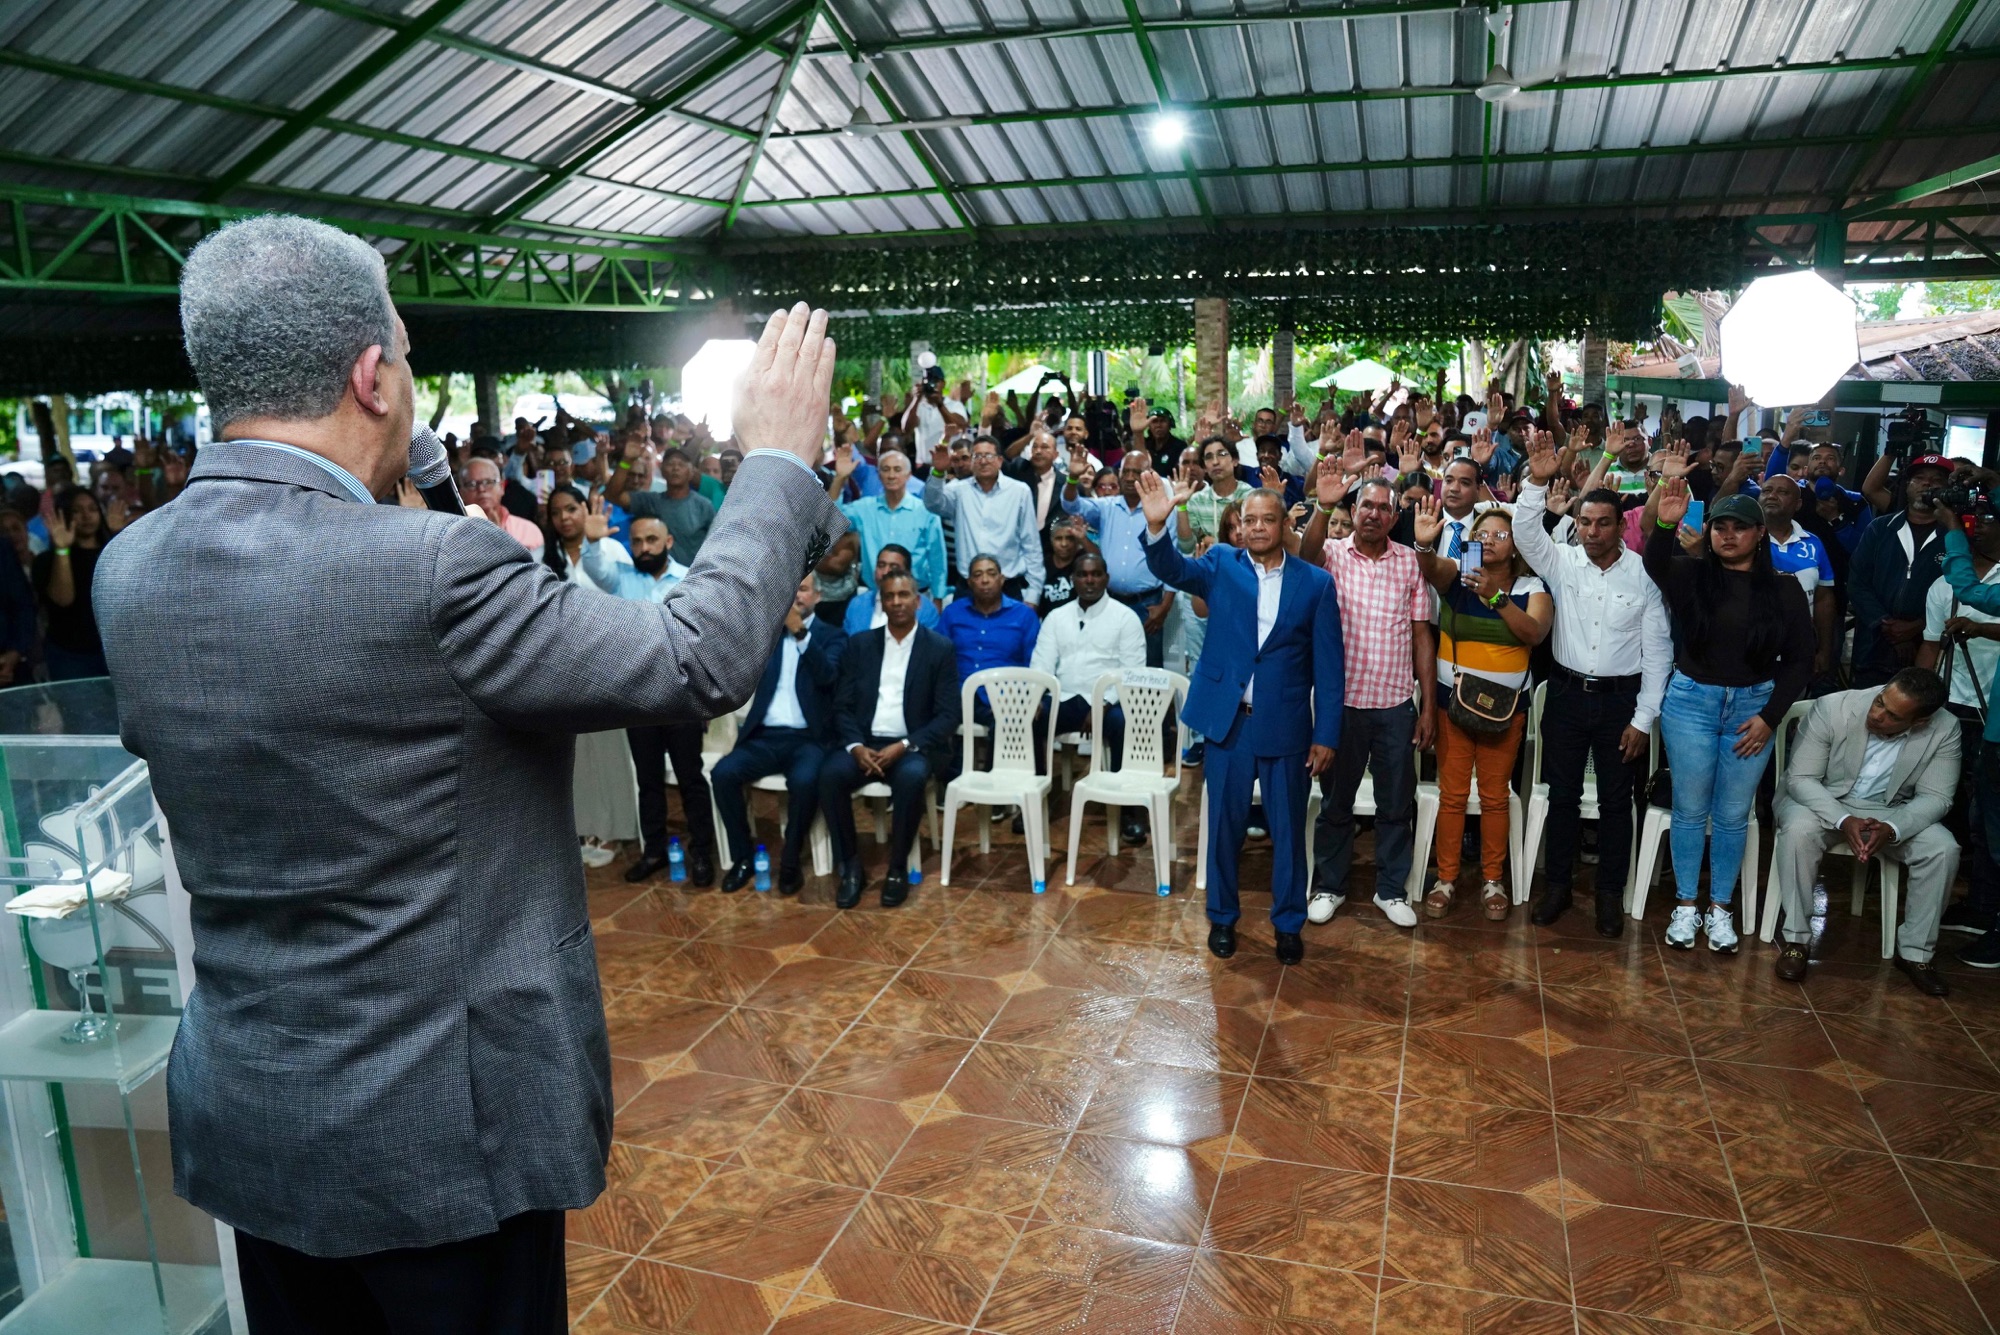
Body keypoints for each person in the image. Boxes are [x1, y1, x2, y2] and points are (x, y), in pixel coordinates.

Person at [93, 211, 843, 1333]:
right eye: (404, 351)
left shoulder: (128, 569)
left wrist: (431, 483)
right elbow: (696, 659)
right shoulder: (431, 577)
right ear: (369, 377)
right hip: (442, 1140)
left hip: (258, 1121)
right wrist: (777, 456)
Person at [1137, 472, 1343, 966]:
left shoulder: (1315, 584)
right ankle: (1223, 918)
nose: (1254, 528)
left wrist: (1326, 734)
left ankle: (1288, 923)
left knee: (1289, 833)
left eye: (1265, 520)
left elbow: (1330, 669)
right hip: (1229, 725)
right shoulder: (1221, 564)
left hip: (1287, 726)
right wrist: (1157, 528)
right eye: (1247, 520)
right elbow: (1172, 569)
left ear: (1282, 526)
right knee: (1224, 827)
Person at [1647, 482, 1817, 953]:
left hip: (1752, 708)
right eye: (1720, 526)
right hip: (1691, 703)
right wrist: (1665, 521)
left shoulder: (1783, 589)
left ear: (1759, 533)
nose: (1727, 535)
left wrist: (1770, 716)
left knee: (1732, 814)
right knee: (1689, 809)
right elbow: (1654, 563)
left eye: (1738, 527)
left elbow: (1802, 660)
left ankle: (1719, 908)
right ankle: (1685, 904)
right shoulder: (1692, 576)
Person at [1513, 435, 1671, 936]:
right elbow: (1523, 531)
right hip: (1563, 695)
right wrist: (1537, 483)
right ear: (1576, 524)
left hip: (1621, 703)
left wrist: (1643, 719)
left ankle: (1608, 894)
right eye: (1584, 522)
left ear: (1618, 527)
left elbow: (1658, 654)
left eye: (1603, 523)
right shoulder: (1561, 562)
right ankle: (1557, 887)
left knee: (1614, 801)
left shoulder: (1644, 575)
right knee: (1561, 796)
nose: (1592, 531)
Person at [1296, 467, 1435, 927]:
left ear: (1395, 518)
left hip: (1396, 705)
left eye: (1383, 508)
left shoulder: (1410, 563)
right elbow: (1303, 553)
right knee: (1336, 805)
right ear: (1353, 512)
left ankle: (1391, 891)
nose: (1373, 514)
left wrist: (1427, 705)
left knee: (1396, 804)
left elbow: (1421, 637)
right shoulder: (1332, 555)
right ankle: (1329, 886)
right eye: (1366, 506)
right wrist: (1321, 504)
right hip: (1342, 707)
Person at [1771, 670, 1959, 996]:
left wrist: (1894, 827)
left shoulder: (1945, 728)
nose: (1876, 714)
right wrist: (1843, 819)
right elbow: (1801, 779)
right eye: (1879, 702)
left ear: (1920, 721)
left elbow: (1937, 797)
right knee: (1799, 831)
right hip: (1822, 799)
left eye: (1891, 715)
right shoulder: (1834, 707)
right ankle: (1797, 940)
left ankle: (1916, 953)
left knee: (1943, 848)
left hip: (1892, 810)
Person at [1410, 499, 1552, 922]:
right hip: (1452, 705)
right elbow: (1432, 570)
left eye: (1499, 535)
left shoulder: (1532, 588)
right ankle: (1446, 878)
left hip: (1505, 713)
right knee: (1451, 796)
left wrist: (1496, 596)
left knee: (1494, 798)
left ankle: (1493, 879)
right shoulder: (1457, 577)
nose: (1489, 540)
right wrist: (1423, 547)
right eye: (1481, 535)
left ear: (1515, 546)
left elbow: (1535, 633)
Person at [820, 571, 960, 910]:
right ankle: (851, 867)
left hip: (912, 745)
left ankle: (897, 869)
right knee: (830, 775)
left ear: (918, 600)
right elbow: (842, 706)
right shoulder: (860, 645)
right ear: (881, 602)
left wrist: (906, 745)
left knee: (912, 777)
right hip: (865, 742)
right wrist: (855, 746)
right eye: (889, 597)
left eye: (903, 595)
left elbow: (947, 716)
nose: (896, 602)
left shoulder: (939, 649)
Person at [713, 575, 847, 895]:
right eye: (790, 588)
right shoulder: (767, 637)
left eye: (801, 588)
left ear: (818, 595)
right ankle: (743, 857)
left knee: (804, 781)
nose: (795, 595)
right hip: (765, 735)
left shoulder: (834, 637)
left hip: (808, 739)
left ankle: (790, 860)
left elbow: (829, 677)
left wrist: (799, 631)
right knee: (723, 774)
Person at [1918, 501, 2000, 958]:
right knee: (1980, 820)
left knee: (1994, 822)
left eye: (1988, 518)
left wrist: (1984, 630)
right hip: (1964, 714)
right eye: (1973, 519)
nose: (1977, 526)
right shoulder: (1940, 586)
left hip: (1994, 715)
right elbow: (1930, 648)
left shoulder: (1966, 582)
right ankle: (1982, 907)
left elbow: (1974, 593)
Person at [1029, 552, 1150, 844]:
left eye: (1096, 574)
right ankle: (1033, 799)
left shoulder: (1125, 618)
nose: (1090, 580)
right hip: (1067, 698)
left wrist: (1104, 703)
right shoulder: (1057, 617)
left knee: (1124, 724)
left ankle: (1128, 810)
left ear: (1106, 578)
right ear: (1073, 580)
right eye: (1083, 575)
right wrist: (1033, 699)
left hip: (1109, 703)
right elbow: (1041, 665)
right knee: (1029, 720)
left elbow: (1132, 673)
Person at [1061, 445, 1173, 666]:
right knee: (1108, 665)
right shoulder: (1105, 507)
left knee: (1147, 672)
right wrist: (1073, 477)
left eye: (1136, 472)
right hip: (1109, 601)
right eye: (1126, 471)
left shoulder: (1163, 511)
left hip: (1148, 604)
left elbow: (1173, 560)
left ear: (1149, 474)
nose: (1130, 477)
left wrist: (1164, 607)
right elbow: (1071, 505)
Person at [1849, 453, 1955, 687]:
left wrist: (1917, 626)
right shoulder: (1880, 528)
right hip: (1873, 648)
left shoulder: (1955, 537)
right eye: (1919, 478)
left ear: (1948, 488)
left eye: (1937, 480)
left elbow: (1958, 593)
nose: (1927, 484)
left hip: (1927, 649)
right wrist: (1887, 626)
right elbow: (1857, 583)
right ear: (1907, 486)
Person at [924, 436, 1043, 603]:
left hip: (1008, 586)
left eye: (988, 456)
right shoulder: (958, 491)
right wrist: (937, 473)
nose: (983, 461)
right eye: (977, 456)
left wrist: (1034, 594)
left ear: (1000, 461)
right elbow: (933, 504)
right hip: (968, 587)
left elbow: (1031, 544)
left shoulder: (1019, 491)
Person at [829, 445, 947, 599]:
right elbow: (830, 521)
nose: (891, 475)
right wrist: (840, 478)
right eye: (886, 469)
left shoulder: (926, 512)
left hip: (915, 595)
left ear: (908, 475)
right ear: (879, 475)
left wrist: (938, 597)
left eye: (897, 470)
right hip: (873, 595)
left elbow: (937, 559)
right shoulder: (864, 508)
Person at [1759, 474, 1839, 677]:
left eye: (1782, 492)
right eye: (1766, 490)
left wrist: (1824, 650)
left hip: (1797, 653)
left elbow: (1823, 600)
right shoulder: (1744, 539)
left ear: (1798, 504)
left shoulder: (1813, 543)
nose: (1772, 496)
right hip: (1753, 651)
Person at [34, 487, 113, 680]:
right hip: (71, 654)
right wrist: (62, 550)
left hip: (114, 651)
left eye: (92, 509)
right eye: (77, 510)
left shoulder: (113, 553)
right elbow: (63, 599)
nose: (86, 516)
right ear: (64, 514)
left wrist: (117, 535)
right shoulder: (46, 560)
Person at [939, 554, 1041, 696]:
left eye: (991, 574)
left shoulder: (1024, 616)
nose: (985, 580)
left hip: (1007, 699)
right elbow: (939, 659)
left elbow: (1035, 663)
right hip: (958, 697)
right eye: (978, 575)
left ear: (1001, 579)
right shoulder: (952, 613)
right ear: (969, 582)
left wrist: (1026, 695)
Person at [844, 544, 942, 634]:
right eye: (881, 565)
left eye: (894, 567)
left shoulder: (926, 609)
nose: (886, 572)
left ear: (908, 573)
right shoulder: (857, 604)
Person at [460, 456, 545, 552]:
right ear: (461, 493)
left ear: (501, 487)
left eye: (488, 482)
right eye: (472, 484)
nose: (481, 489)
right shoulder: (454, 536)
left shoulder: (528, 530)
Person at [1038, 516, 1088, 616]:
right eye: (1058, 539)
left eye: (1069, 539)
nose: (1064, 544)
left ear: (1076, 541)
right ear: (1052, 541)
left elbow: (1099, 561)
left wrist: (1083, 539)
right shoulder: (1042, 564)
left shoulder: (1083, 561)